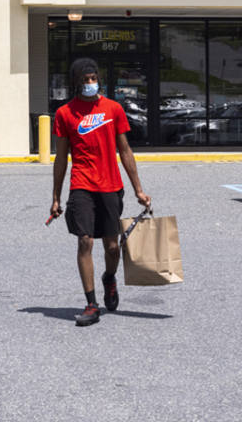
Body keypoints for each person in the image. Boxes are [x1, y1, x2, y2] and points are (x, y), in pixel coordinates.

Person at [48, 57, 152, 326]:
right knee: (84, 241)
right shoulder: (65, 114)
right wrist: (56, 197)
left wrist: (139, 190)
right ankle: (91, 304)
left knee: (113, 247)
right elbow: (61, 158)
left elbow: (125, 151)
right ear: (76, 82)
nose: (90, 83)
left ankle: (109, 278)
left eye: (94, 78)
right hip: (81, 184)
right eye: (85, 80)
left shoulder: (113, 109)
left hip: (110, 185)